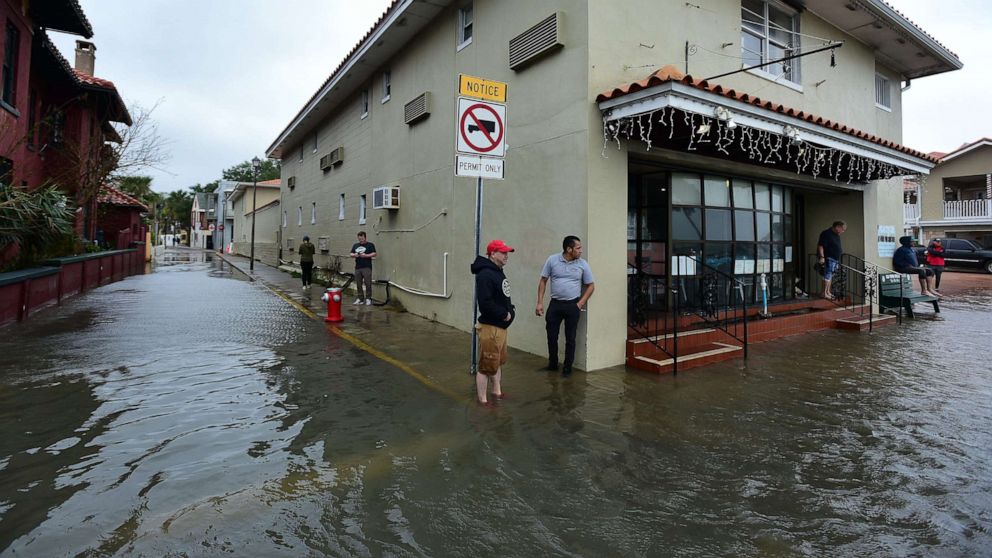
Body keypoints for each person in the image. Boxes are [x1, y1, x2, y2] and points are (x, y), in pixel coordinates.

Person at [536, 235, 595, 377]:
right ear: (569, 249)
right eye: (578, 248)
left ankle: (567, 368)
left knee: (571, 338)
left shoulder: (582, 264)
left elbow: (591, 285)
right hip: (555, 305)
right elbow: (543, 281)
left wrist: (580, 303)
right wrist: (539, 302)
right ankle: (553, 364)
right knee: (551, 336)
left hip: (572, 306)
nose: (581, 251)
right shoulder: (552, 260)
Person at [471, 239, 516, 406]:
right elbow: (485, 302)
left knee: (497, 362)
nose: (506, 256)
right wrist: (504, 314)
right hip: (491, 327)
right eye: (503, 252)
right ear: (492, 254)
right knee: (486, 365)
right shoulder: (485, 274)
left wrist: (511, 310)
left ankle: (496, 391)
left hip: (501, 327)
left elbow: (503, 296)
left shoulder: (498, 271)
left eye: (507, 252)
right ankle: (482, 400)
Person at [816, 220, 846, 300]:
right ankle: (824, 293)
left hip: (835, 258)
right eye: (842, 229)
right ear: (837, 227)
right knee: (827, 275)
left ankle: (828, 292)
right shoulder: (826, 233)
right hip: (828, 257)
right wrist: (822, 257)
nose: (843, 231)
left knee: (830, 275)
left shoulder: (836, 235)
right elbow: (821, 246)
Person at [349, 231, 377, 305]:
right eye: (359, 238)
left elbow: (374, 253)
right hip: (358, 267)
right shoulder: (355, 245)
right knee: (358, 283)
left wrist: (366, 255)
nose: (360, 240)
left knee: (368, 283)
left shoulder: (370, 245)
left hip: (367, 267)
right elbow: (351, 253)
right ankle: (360, 298)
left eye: (362, 238)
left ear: (365, 237)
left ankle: (368, 298)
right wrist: (355, 255)